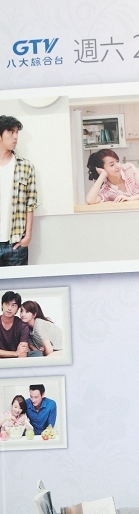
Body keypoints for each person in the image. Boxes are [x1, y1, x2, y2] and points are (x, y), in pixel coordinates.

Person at [0, 115, 37, 267]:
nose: (15, 137)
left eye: (17, 133)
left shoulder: (25, 166)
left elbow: (30, 204)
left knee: (18, 283)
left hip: (15, 244)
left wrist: (28, 236)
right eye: (11, 132)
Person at [0, 290, 29, 358]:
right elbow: (18, 353)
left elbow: (23, 352)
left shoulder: (22, 326)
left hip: (16, 361)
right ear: (1, 305)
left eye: (13, 305)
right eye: (7, 304)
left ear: (18, 309)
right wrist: (15, 353)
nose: (9, 308)